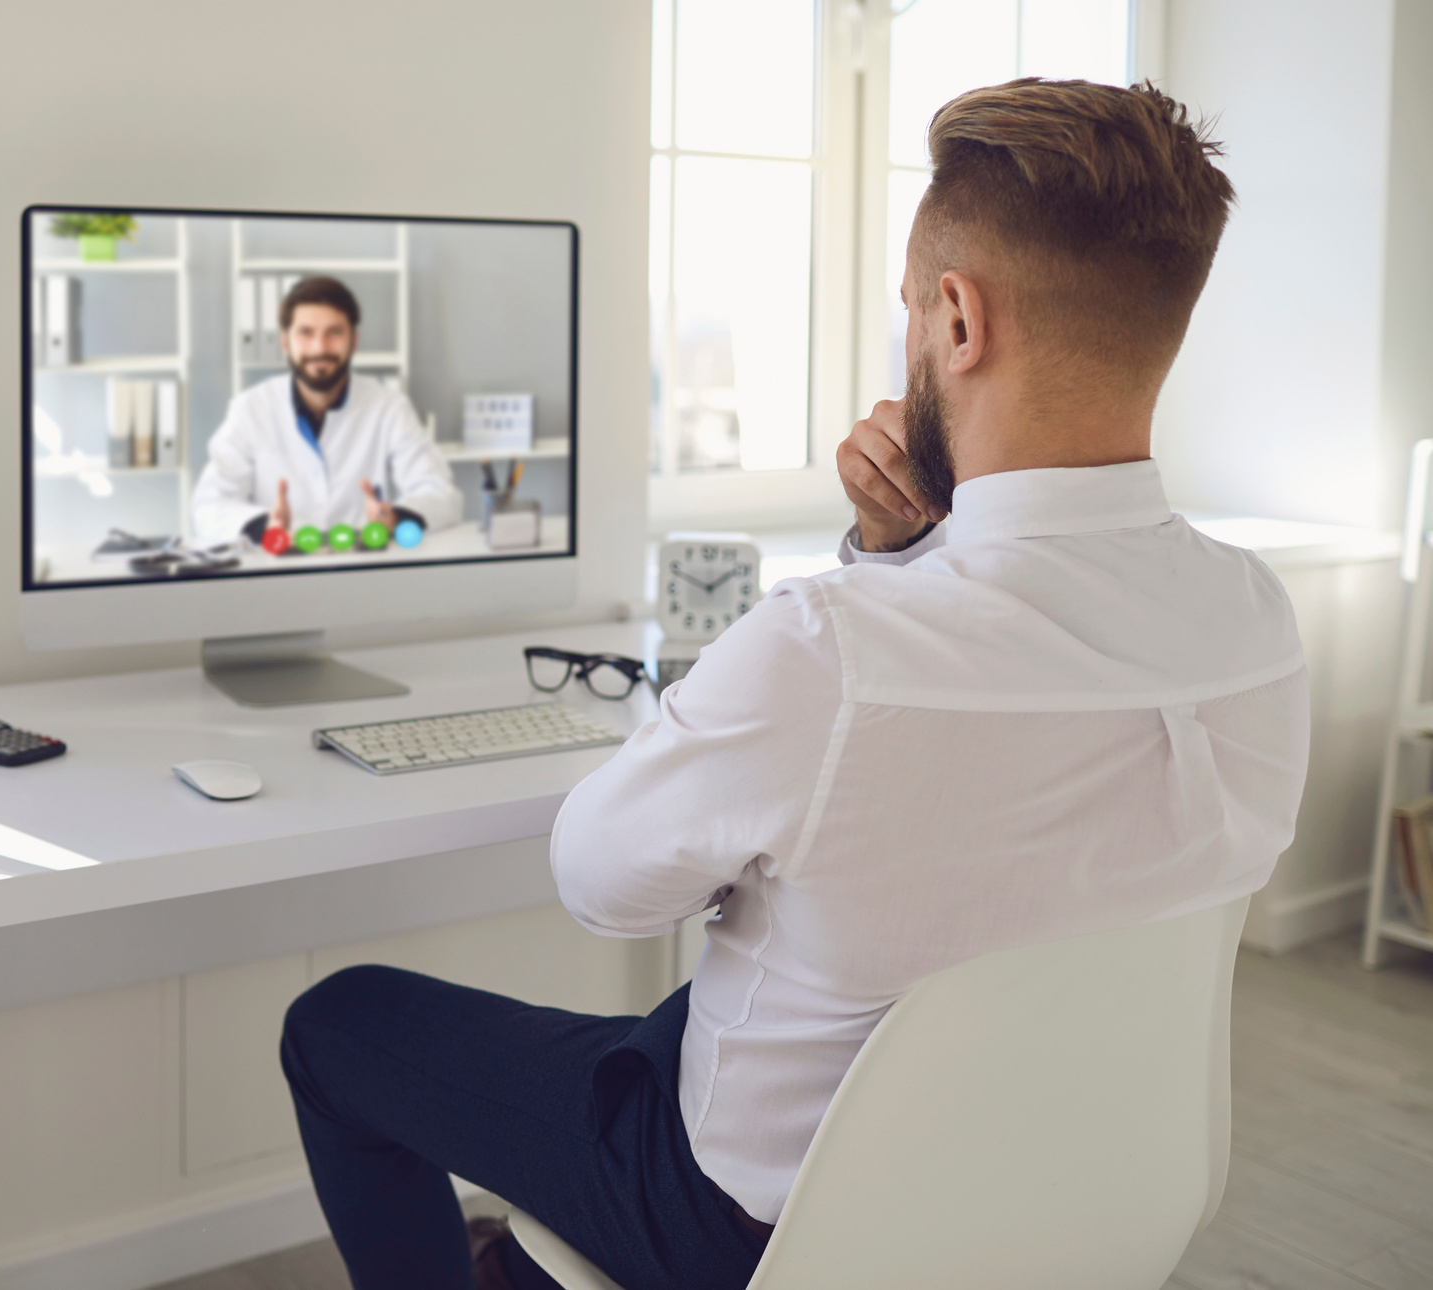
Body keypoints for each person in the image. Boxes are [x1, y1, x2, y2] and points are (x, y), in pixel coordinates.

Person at [280, 79, 1309, 1290]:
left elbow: (601, 883)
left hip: (764, 1233)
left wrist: (868, 593)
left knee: (337, 1024)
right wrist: (899, 557)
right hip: (1076, 1199)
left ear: (959, 320)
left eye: (912, 310)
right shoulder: (1257, 625)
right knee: (667, 1032)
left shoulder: (830, 648)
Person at [189, 275, 463, 544]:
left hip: (363, 564)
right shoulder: (251, 409)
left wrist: (395, 518)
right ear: (285, 343)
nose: (320, 347)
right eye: (305, 333)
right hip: (277, 566)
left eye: (334, 333)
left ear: (354, 341)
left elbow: (440, 493)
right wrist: (264, 526)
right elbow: (209, 503)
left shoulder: (389, 407)